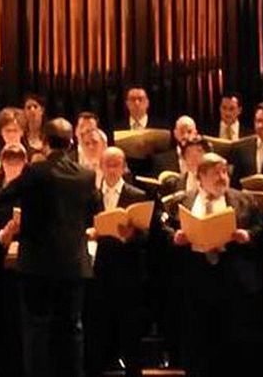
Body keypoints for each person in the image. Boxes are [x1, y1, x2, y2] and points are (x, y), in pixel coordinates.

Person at [0, 118, 98, 377]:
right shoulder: (86, 176)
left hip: (38, 265)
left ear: (44, 143)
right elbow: (94, 210)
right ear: (71, 143)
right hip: (74, 264)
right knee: (72, 329)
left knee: (36, 330)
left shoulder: (37, 171)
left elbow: (4, 196)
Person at [170, 152, 263, 376]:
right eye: (216, 173)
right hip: (196, 279)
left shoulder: (244, 200)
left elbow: (262, 230)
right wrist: (175, 237)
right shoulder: (182, 201)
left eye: (224, 172)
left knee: (233, 340)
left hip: (232, 279)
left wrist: (248, 235)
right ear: (200, 176)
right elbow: (166, 231)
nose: (222, 177)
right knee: (198, 340)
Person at [85, 147, 150, 377]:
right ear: (101, 167)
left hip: (128, 273)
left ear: (124, 167)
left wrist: (132, 234)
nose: (112, 169)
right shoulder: (90, 196)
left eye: (117, 164)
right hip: (98, 272)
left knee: (130, 334)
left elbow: (149, 235)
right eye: (108, 164)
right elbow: (81, 228)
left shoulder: (137, 195)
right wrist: (90, 232)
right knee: (97, 334)